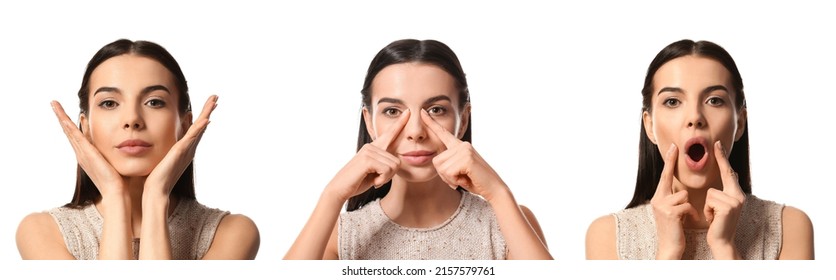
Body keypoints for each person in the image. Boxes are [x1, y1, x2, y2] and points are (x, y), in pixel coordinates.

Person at [284, 39, 551, 260]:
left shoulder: (509, 223)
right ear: (369, 121)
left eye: (436, 110)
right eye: (392, 111)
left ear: (463, 119)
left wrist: (499, 194)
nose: (415, 131)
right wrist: (332, 196)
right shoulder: (339, 235)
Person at [15, 39, 260, 260]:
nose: (132, 119)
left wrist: (156, 197)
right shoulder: (43, 232)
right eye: (109, 103)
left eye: (154, 102)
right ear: (85, 128)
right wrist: (114, 196)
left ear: (185, 125)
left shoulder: (231, 233)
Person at [585, 39, 814, 260]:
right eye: (673, 102)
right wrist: (668, 252)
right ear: (650, 126)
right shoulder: (609, 236)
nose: (695, 117)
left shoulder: (789, 228)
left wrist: (725, 248)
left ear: (740, 123)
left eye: (714, 100)